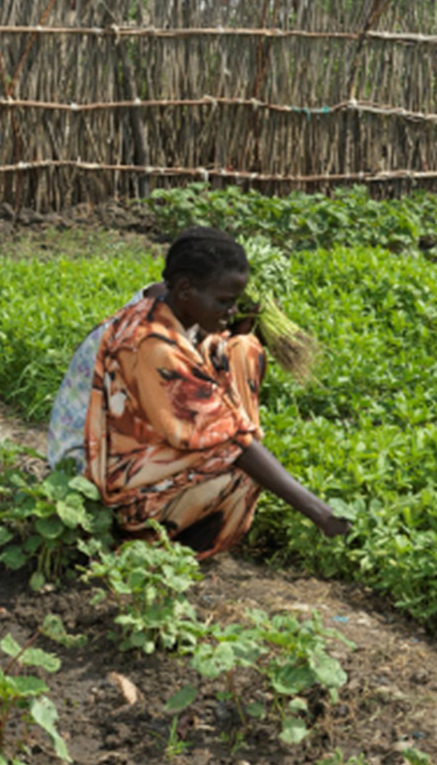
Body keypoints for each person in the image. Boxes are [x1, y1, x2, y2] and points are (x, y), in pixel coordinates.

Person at [47, 226, 350, 561]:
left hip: (120, 443)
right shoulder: (151, 344)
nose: (232, 310)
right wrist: (321, 514)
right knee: (240, 475)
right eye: (224, 301)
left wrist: (233, 324)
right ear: (185, 289)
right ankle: (147, 552)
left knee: (241, 349)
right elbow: (234, 445)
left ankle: (161, 534)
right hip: (88, 472)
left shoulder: (171, 305)